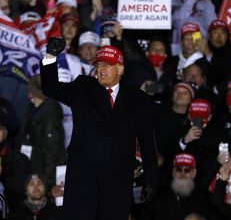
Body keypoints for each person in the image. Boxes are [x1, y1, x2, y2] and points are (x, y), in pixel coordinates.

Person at [40, 38, 158, 220]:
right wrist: (50, 56)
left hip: (117, 180)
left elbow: (147, 143)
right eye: (99, 65)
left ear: (120, 69)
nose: (101, 69)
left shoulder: (138, 99)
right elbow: (50, 88)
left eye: (107, 65)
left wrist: (151, 180)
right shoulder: (83, 87)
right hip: (82, 177)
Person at [140, 153, 209, 220]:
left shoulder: (203, 198)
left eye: (187, 170)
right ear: (173, 172)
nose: (182, 174)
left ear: (194, 173)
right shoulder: (159, 195)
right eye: (179, 170)